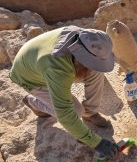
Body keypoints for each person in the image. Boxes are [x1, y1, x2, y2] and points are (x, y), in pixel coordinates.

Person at [9, 26, 119, 159]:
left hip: (37, 59)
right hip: (30, 77)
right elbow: (65, 114)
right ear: (80, 58)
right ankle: (34, 102)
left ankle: (90, 113)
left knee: (96, 71)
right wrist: (96, 142)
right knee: (76, 111)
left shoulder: (87, 38)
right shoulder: (57, 68)